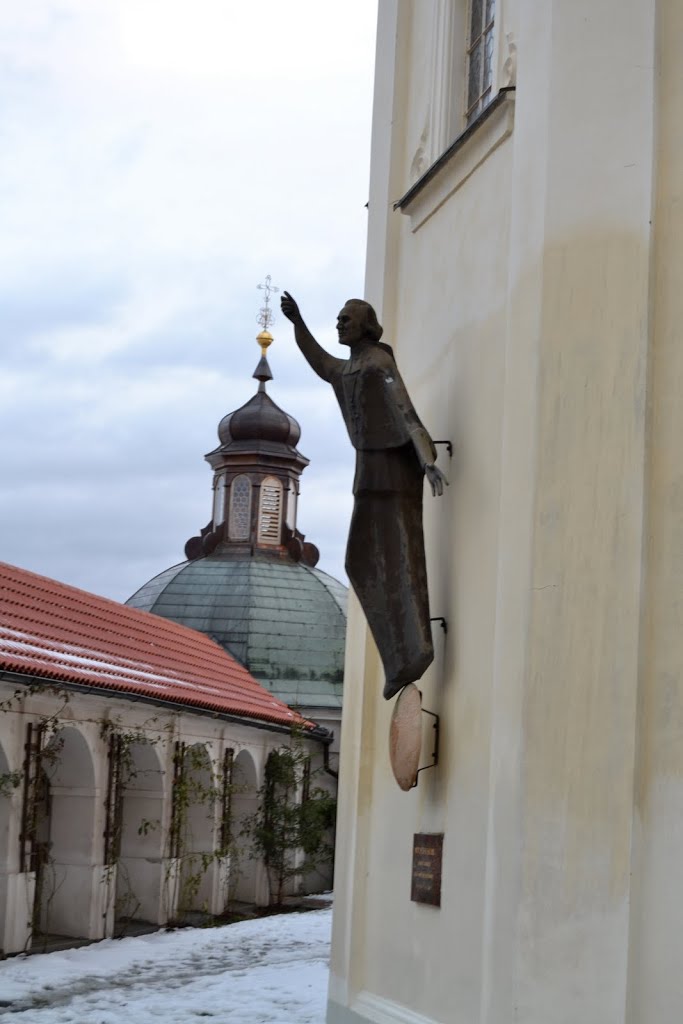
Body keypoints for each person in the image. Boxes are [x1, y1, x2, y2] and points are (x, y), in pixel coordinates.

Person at [280, 291, 446, 700]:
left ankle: (414, 651)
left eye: (346, 319)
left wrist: (427, 460)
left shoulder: (378, 363)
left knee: (399, 560)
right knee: (361, 560)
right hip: (368, 470)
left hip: (394, 470)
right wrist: (298, 322)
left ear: (366, 325)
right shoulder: (349, 369)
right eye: (336, 318)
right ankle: (398, 658)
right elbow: (320, 362)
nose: (339, 324)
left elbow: (405, 411)